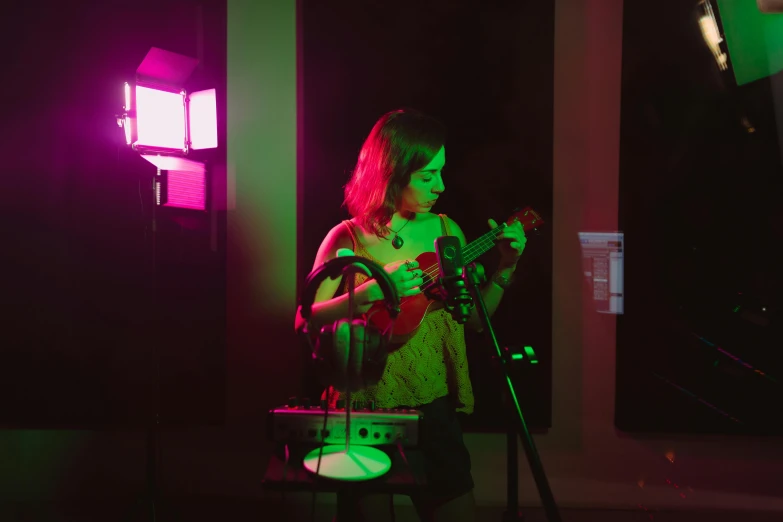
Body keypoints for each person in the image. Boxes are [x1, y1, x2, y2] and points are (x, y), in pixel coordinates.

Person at [294, 108, 526, 522]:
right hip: (364, 408)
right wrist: (370, 290)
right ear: (392, 174)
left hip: (432, 406)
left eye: (441, 172)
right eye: (426, 176)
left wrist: (504, 269)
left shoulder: (445, 230)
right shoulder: (347, 236)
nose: (440, 185)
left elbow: (474, 321)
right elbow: (305, 320)